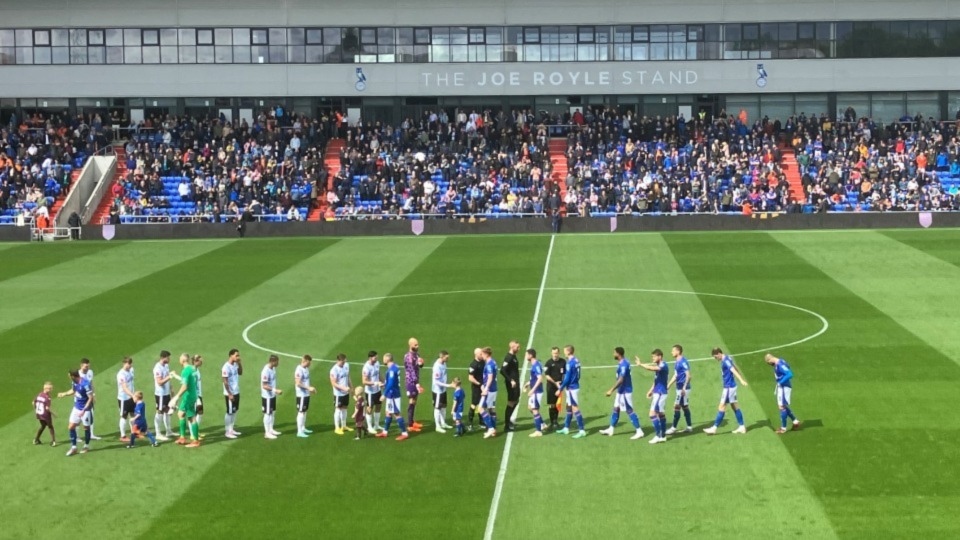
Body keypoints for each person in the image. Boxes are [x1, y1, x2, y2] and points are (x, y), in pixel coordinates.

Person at [600, 347, 644, 440]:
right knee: (616, 409)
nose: (613, 354)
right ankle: (611, 429)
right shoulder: (623, 362)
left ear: (618, 354)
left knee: (629, 410)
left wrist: (611, 390)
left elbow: (621, 379)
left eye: (614, 353)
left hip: (625, 391)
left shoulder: (624, 364)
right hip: (620, 391)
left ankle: (639, 431)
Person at [704, 348, 748, 435]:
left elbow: (732, 369)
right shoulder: (728, 358)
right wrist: (739, 374)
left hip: (728, 387)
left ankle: (714, 428)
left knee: (722, 406)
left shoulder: (725, 361)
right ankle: (742, 427)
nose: (716, 359)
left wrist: (741, 380)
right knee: (735, 406)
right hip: (732, 386)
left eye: (716, 357)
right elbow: (735, 366)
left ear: (719, 353)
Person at [58, 370, 95, 456]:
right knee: (71, 427)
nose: (70, 378)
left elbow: (90, 398)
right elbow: (73, 390)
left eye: (70, 377)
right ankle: (74, 447)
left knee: (86, 428)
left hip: (85, 410)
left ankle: (86, 446)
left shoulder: (85, 384)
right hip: (76, 408)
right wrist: (64, 394)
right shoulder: (74, 382)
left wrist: (84, 410)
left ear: (73, 376)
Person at [636, 349, 670, 444]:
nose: (653, 358)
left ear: (660, 356)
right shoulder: (659, 365)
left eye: (654, 356)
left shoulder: (663, 365)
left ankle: (658, 436)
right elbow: (657, 380)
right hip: (658, 392)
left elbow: (651, 368)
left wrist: (641, 364)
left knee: (652, 414)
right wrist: (651, 390)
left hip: (660, 393)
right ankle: (663, 436)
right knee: (661, 414)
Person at [376, 353, 410, 441]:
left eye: (383, 358)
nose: (382, 360)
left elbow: (391, 384)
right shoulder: (395, 367)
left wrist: (384, 394)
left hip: (393, 394)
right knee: (388, 412)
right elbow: (391, 382)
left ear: (387, 360)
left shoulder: (391, 370)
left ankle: (404, 433)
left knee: (396, 413)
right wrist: (384, 384)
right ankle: (385, 432)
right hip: (393, 392)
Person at [765, 353, 801, 434]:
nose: (771, 365)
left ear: (770, 360)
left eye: (769, 363)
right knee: (782, 406)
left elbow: (789, 374)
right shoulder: (781, 360)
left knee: (781, 407)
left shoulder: (779, 364)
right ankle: (795, 421)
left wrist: (781, 381)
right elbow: (788, 366)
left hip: (784, 387)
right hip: (782, 387)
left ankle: (783, 428)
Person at [556, 345, 586, 439]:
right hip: (574, 386)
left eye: (565, 351)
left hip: (572, 388)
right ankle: (566, 428)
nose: (564, 353)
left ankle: (582, 430)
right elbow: (579, 375)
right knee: (568, 407)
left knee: (575, 408)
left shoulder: (569, 363)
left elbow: (567, 378)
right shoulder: (577, 361)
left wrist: (560, 389)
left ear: (569, 352)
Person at [172, 353, 201, 447]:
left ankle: (195, 441)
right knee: (181, 414)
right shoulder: (192, 369)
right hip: (192, 395)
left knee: (191, 417)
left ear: (183, 360)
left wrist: (176, 397)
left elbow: (185, 386)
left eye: (180, 358)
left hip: (188, 396)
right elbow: (190, 381)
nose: (179, 360)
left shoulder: (185, 371)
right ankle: (182, 437)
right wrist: (176, 377)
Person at [666, 344, 693, 435]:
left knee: (676, 407)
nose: (671, 352)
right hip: (680, 388)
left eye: (673, 351)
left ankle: (673, 428)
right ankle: (689, 427)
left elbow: (689, 376)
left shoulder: (683, 362)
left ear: (678, 351)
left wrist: (684, 388)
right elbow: (676, 375)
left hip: (683, 389)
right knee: (685, 407)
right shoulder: (677, 362)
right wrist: (668, 385)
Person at [153, 350, 175, 441]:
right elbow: (159, 382)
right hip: (160, 394)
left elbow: (167, 379)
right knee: (160, 412)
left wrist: (171, 388)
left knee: (167, 412)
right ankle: (158, 433)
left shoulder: (166, 366)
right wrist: (169, 377)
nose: (169, 359)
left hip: (166, 393)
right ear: (163, 357)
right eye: (168, 357)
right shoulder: (157, 368)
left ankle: (168, 431)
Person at [403, 338, 424, 432]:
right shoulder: (409, 357)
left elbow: (419, 366)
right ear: (410, 345)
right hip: (411, 382)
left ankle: (412, 421)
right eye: (415, 345)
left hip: (415, 381)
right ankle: (410, 425)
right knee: (411, 401)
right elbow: (411, 372)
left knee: (414, 400)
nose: (417, 346)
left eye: (417, 344)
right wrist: (417, 384)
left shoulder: (416, 355)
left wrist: (421, 364)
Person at [222, 348, 243, 439]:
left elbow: (240, 372)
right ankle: (227, 431)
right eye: (236, 355)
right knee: (229, 412)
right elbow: (225, 381)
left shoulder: (235, 364)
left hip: (236, 391)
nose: (238, 357)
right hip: (230, 393)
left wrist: (239, 363)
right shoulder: (225, 367)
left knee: (234, 411)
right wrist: (229, 393)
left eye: (238, 355)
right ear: (231, 355)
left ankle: (231, 429)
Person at [500, 340, 521, 432]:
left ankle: (508, 421)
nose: (519, 348)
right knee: (511, 402)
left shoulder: (513, 356)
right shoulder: (508, 357)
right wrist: (511, 380)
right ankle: (506, 425)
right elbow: (502, 370)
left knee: (516, 401)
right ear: (512, 347)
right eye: (517, 347)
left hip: (516, 383)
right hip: (511, 384)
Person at [260, 355, 283, 440]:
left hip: (272, 395)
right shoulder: (265, 371)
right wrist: (275, 390)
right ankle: (267, 433)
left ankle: (271, 429)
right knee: (267, 413)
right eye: (277, 361)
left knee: (272, 412)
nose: (278, 363)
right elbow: (264, 385)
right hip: (267, 396)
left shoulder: (273, 369)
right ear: (273, 361)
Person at [294, 354, 317, 438]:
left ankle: (303, 428)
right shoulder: (298, 370)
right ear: (306, 361)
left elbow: (306, 381)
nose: (310, 364)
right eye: (309, 362)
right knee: (301, 412)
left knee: (304, 411)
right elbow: (298, 383)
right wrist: (308, 388)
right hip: (301, 394)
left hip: (306, 394)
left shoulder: (306, 369)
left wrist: (310, 389)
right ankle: (299, 431)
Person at [479, 346, 499, 438]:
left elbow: (490, 377)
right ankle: (494, 430)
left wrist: (485, 388)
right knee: (491, 409)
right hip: (493, 388)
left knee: (480, 408)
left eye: (482, 354)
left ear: (486, 354)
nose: (481, 356)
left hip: (489, 390)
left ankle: (490, 428)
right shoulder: (493, 362)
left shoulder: (489, 364)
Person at [79, 359, 101, 441]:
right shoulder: (78, 374)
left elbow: (91, 384)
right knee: (79, 417)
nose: (87, 368)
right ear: (81, 365)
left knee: (91, 415)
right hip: (81, 399)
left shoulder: (90, 372)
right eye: (85, 366)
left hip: (89, 397)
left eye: (88, 366)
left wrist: (93, 395)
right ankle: (77, 436)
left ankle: (91, 434)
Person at [330, 353, 352, 435]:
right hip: (338, 393)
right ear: (338, 361)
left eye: (345, 361)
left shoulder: (346, 365)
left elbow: (348, 377)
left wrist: (351, 387)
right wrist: (344, 388)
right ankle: (337, 427)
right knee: (338, 409)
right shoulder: (334, 370)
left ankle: (344, 425)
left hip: (345, 392)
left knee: (345, 408)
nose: (344, 363)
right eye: (342, 362)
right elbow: (334, 383)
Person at [361, 351, 383, 435]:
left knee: (378, 406)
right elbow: (364, 381)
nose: (377, 359)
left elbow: (378, 374)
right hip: (370, 392)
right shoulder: (366, 368)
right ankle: (369, 427)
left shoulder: (377, 363)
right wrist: (375, 383)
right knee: (369, 408)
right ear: (370, 358)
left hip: (377, 390)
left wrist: (383, 382)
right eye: (375, 358)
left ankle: (376, 425)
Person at [431, 350, 453, 433]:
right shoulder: (437, 366)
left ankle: (443, 423)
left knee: (443, 407)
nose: (448, 359)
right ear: (442, 357)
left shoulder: (444, 363)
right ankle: (438, 426)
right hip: (437, 391)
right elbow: (436, 381)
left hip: (443, 389)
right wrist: (448, 385)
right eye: (446, 357)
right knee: (437, 408)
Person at [524, 349, 545, 438]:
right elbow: (535, 378)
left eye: (526, 355)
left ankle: (538, 431)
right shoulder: (536, 364)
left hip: (536, 391)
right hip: (535, 390)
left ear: (531, 355)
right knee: (530, 407)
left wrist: (532, 390)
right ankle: (542, 424)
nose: (525, 356)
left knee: (535, 409)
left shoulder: (536, 365)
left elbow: (540, 378)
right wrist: (528, 383)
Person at [544, 347, 565, 430]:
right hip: (551, 386)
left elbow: (565, 373)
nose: (555, 355)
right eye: (553, 353)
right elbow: (547, 376)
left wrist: (562, 384)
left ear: (559, 353)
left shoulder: (563, 362)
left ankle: (555, 421)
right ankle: (552, 421)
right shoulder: (548, 363)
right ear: (551, 353)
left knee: (557, 403)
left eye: (556, 353)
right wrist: (555, 383)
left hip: (560, 386)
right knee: (552, 404)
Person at [116, 357, 135, 443]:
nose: (130, 366)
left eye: (131, 364)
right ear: (124, 363)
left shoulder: (131, 370)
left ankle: (134, 432)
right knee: (124, 416)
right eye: (128, 364)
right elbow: (124, 387)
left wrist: (133, 395)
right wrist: (132, 395)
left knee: (133, 414)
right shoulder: (121, 374)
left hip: (131, 397)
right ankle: (123, 435)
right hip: (124, 398)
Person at [33, 381, 56, 446]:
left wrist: (36, 409)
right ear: (46, 388)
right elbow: (47, 408)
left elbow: (33, 402)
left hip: (39, 414)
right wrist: (53, 414)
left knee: (43, 426)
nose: (51, 390)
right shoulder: (47, 397)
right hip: (45, 414)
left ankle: (36, 439)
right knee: (50, 426)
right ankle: (53, 441)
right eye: (50, 388)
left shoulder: (39, 394)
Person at [466, 348, 484, 431]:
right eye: (480, 354)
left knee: (481, 404)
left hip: (482, 387)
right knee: (474, 404)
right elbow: (470, 378)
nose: (482, 355)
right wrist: (479, 384)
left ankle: (481, 422)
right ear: (476, 354)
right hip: (476, 388)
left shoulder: (483, 362)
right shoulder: (473, 364)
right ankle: (470, 424)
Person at [192, 355, 205, 438]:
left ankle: (195, 431)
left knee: (199, 413)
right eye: (200, 360)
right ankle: (193, 434)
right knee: (195, 414)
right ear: (195, 361)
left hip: (199, 395)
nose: (202, 362)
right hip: (195, 396)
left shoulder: (197, 370)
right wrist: (196, 397)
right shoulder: (193, 371)